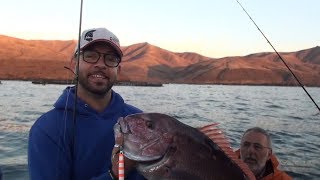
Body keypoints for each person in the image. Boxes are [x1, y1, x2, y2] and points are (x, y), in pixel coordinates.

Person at [28, 27, 145, 180]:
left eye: (110, 59)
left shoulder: (140, 121)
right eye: (91, 56)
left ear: (119, 70)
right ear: (74, 64)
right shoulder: (47, 129)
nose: (101, 64)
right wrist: (115, 173)